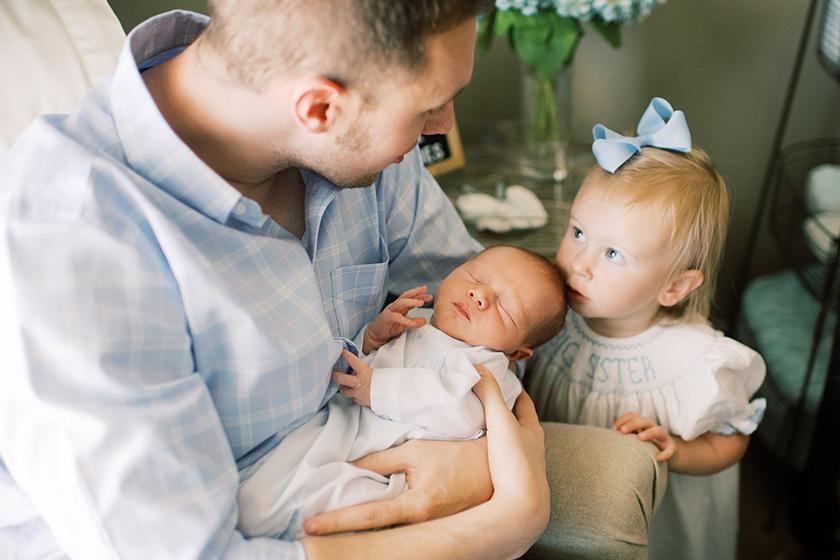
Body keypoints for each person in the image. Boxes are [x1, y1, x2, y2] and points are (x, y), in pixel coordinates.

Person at [0, 2, 664, 558]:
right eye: (432, 107)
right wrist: (504, 517)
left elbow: (487, 337)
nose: (443, 130)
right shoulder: (73, 243)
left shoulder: (357, 150)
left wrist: (480, 457)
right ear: (321, 108)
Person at [527, 97, 767, 560]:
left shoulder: (698, 362)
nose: (580, 264)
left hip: (656, 521)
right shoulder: (553, 317)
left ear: (675, 286)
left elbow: (731, 441)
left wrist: (676, 450)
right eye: (577, 233)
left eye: (613, 254)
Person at [237, 245, 567, 539]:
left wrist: (376, 387)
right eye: (474, 275)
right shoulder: (418, 321)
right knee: (261, 488)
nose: (479, 295)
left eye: (506, 308)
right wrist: (373, 338)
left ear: (516, 353)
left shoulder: (490, 367)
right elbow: (362, 369)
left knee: (330, 504)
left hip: (395, 469)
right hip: (342, 426)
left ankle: (289, 536)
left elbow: (457, 411)